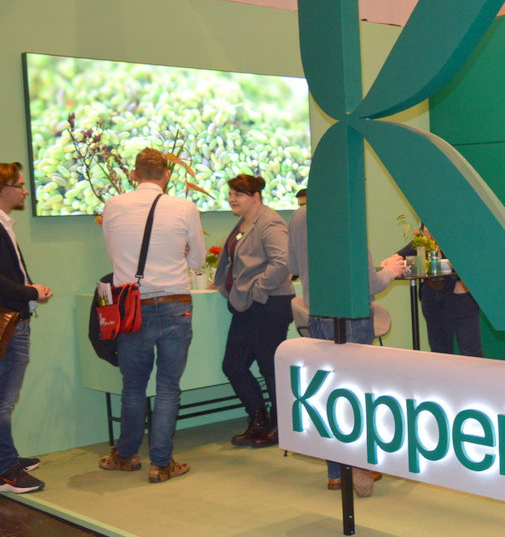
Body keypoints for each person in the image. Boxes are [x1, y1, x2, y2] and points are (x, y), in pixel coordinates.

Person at [98, 149, 205, 483]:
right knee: (168, 388)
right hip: (175, 304)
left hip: (132, 308)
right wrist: (181, 254)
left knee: (133, 387)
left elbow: (113, 254)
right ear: (167, 175)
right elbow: (198, 261)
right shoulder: (185, 208)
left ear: (133, 174)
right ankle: (161, 464)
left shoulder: (113, 205)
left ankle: (126, 456)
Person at [288, 204, 404, 495]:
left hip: (318, 314)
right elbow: (371, 283)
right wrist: (390, 271)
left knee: (331, 392)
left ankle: (336, 472)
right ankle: (360, 464)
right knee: (357, 394)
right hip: (353, 317)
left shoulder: (299, 215)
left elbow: (294, 268)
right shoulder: (346, 211)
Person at [212, 173, 295, 448]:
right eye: (230, 194)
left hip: (269, 304)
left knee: (270, 367)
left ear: (255, 197)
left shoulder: (269, 222)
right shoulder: (245, 222)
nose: (232, 199)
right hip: (246, 305)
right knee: (233, 365)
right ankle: (259, 420)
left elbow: (283, 261)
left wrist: (258, 288)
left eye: (238, 195)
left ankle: (280, 427)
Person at [0, 163, 52, 494]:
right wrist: (31, 292)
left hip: (13, 320)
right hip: (7, 323)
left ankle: (7, 457)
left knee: (5, 400)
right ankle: (6, 471)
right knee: (3, 401)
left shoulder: (5, 225)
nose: (25, 190)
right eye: (19, 185)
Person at [397, 231, 482, 357]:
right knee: (439, 354)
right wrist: (396, 259)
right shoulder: (427, 234)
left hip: (460, 293)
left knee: (471, 353)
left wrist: (463, 282)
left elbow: (478, 251)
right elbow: (406, 252)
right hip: (432, 292)